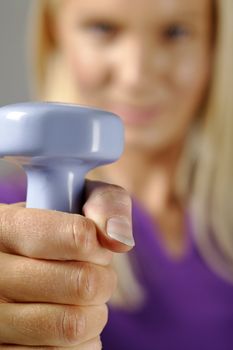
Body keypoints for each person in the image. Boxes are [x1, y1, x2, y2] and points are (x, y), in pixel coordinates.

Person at [1, 0, 233, 348]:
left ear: (214, 43)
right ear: (55, 36)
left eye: (175, 32)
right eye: (102, 28)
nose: (136, 76)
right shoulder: (9, 229)